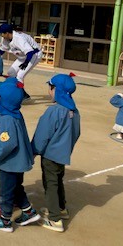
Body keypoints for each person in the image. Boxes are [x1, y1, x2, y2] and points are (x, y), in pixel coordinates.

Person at [0, 77, 40, 232]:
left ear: (4, 99)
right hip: (18, 162)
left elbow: (7, 144)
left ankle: (5, 221)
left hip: (10, 164)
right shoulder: (13, 114)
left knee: (6, 192)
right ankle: (29, 212)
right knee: (16, 188)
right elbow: (7, 136)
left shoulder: (7, 119)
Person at [31, 73, 81, 232]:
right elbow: (76, 133)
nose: (49, 91)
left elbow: (42, 135)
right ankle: (60, 208)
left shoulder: (54, 111)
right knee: (58, 180)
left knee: (50, 184)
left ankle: (55, 219)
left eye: (50, 88)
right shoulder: (74, 111)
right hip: (62, 154)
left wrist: (34, 151)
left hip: (50, 155)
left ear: (56, 90)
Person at [0, 23, 43, 99]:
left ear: (7, 33)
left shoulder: (18, 38)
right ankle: (23, 94)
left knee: (20, 75)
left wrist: (26, 63)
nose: (1, 35)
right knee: (11, 72)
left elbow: (30, 52)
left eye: (1, 33)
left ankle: (19, 96)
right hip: (23, 56)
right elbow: (2, 50)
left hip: (34, 55)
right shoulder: (6, 39)